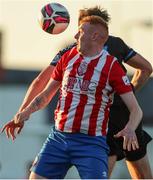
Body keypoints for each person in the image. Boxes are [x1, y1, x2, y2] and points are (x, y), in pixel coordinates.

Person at [1, 6, 152, 179]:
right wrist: (24, 112)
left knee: (136, 169)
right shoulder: (69, 55)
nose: (75, 35)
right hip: (60, 136)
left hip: (95, 136)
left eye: (79, 30)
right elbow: (45, 92)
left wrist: (126, 101)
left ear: (94, 34)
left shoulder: (110, 64)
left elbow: (38, 82)